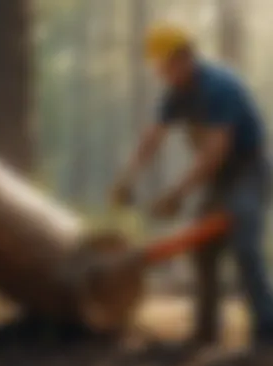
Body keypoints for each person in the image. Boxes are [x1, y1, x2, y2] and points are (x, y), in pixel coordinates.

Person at [111, 23, 273, 347]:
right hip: (219, 178)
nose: (160, 74)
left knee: (243, 243)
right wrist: (126, 179)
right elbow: (151, 139)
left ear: (182, 59)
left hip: (249, 172)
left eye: (162, 66)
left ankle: (267, 329)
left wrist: (176, 194)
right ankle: (206, 332)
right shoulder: (177, 93)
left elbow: (216, 151)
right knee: (201, 250)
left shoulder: (219, 88)